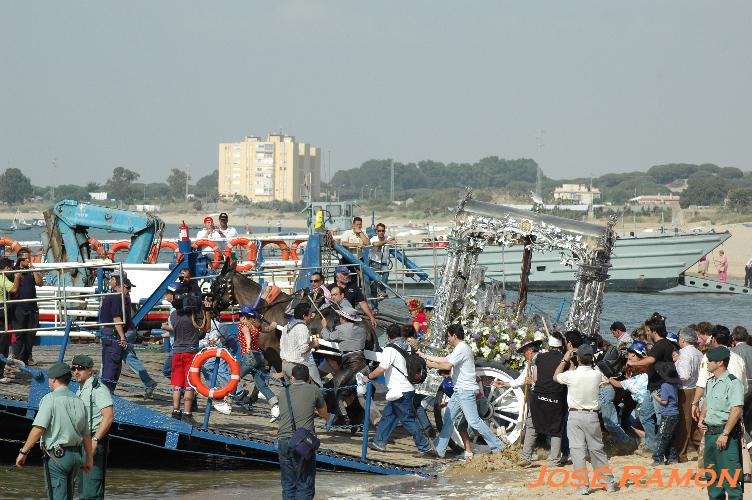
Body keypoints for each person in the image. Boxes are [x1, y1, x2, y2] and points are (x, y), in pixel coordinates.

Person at [419, 323, 505, 458]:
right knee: (448, 418)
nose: (447, 339)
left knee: (474, 421)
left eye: (448, 336)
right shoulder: (460, 348)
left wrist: (430, 364)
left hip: (465, 391)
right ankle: (439, 450)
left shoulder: (462, 348)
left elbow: (447, 365)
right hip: (459, 391)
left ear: (454, 335)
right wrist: (424, 355)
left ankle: (498, 446)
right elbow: (445, 359)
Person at [15, 362, 93, 499]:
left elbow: (38, 429)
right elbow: (86, 435)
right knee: (68, 496)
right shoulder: (79, 401)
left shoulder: (49, 399)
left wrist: (23, 452)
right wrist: (89, 459)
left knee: (56, 496)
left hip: (58, 456)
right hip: (76, 456)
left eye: (50, 379)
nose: (49, 382)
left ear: (54, 379)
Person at [554, 344, 618, 494]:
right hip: (591, 415)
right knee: (597, 449)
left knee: (577, 451)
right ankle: (608, 482)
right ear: (591, 358)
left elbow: (555, 376)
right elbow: (604, 382)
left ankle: (582, 486)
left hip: (575, 415)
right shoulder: (596, 374)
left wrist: (565, 360)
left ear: (577, 358)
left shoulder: (571, 375)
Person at [365, 324, 434, 455]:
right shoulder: (407, 346)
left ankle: (424, 446)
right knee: (388, 416)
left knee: (408, 420)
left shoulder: (390, 349)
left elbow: (382, 368)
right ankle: (379, 442)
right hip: (407, 388)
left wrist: (368, 377)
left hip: (399, 390)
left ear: (388, 336)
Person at [698, 346, 744, 500]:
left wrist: (725, 433)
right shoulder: (711, 381)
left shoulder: (733, 383)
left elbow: (736, 410)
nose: (707, 363)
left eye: (710, 360)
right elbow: (706, 401)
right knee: (713, 477)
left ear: (720, 363)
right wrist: (701, 417)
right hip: (711, 434)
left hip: (726, 436)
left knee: (731, 479)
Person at [277, 364, 328, 500]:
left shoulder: (283, 392)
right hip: (302, 443)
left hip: (283, 441)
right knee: (305, 484)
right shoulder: (314, 390)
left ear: (292, 378)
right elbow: (325, 414)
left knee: (288, 484)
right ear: (308, 378)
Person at [626, 315, 675, 452]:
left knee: (661, 419)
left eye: (648, 331)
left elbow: (651, 360)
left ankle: (663, 449)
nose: (647, 333)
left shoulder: (661, 345)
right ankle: (651, 446)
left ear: (654, 331)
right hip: (652, 386)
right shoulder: (662, 345)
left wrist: (633, 363)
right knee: (645, 414)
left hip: (660, 387)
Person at [72, 354, 114, 500]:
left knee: (91, 490)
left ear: (90, 370)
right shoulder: (80, 390)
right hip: (80, 442)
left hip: (93, 440)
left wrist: (95, 440)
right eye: (74, 368)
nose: (76, 371)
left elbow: (108, 416)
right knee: (82, 488)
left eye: (80, 369)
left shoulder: (98, 389)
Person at [169, 285, 210, 423]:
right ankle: (187, 413)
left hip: (176, 351)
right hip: (191, 352)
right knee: (189, 384)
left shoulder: (173, 315)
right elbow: (207, 328)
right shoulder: (194, 314)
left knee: (177, 385)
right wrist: (207, 310)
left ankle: (175, 411)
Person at [320, 306, 367, 423]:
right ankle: (349, 416)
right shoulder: (362, 329)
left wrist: (324, 327)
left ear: (343, 318)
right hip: (363, 365)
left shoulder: (342, 329)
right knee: (352, 392)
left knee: (335, 388)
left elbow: (327, 337)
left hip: (352, 366)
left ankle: (342, 416)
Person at [237, 305, 279, 419]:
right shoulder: (257, 326)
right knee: (261, 385)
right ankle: (275, 406)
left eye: (240, 315)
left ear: (245, 317)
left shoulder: (243, 324)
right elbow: (268, 329)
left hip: (249, 356)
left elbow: (246, 335)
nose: (239, 317)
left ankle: (227, 402)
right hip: (259, 356)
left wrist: (248, 347)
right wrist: (273, 325)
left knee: (234, 377)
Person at [122, 278, 158, 398]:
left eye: (129, 288)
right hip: (129, 330)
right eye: (128, 288)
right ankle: (148, 381)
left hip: (126, 331)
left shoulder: (122, 298)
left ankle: (148, 381)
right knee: (127, 356)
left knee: (126, 357)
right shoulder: (126, 299)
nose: (129, 290)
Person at [673, 326, 704, 463]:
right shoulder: (698, 353)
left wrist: (671, 373)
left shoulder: (685, 353)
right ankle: (701, 449)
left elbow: (684, 375)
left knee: (684, 424)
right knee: (694, 422)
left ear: (683, 339)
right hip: (698, 388)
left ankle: (682, 454)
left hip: (685, 389)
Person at [9, 250, 43, 366]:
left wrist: (33, 270)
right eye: (26, 258)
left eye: (29, 258)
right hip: (19, 307)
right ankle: (18, 358)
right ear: (20, 259)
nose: (29, 260)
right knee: (19, 335)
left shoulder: (30, 271)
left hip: (32, 307)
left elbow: (40, 283)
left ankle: (27, 357)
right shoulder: (14, 271)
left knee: (30, 335)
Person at [97, 273, 129, 393]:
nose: (129, 291)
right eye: (127, 288)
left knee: (108, 366)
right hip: (113, 335)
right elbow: (116, 318)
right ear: (120, 286)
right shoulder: (116, 298)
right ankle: (107, 395)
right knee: (112, 369)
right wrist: (122, 337)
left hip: (107, 333)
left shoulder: (108, 297)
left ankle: (107, 393)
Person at [280, 302, 322, 387]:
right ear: (304, 316)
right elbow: (304, 349)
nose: (312, 317)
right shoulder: (302, 327)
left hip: (285, 365)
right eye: (310, 314)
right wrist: (314, 343)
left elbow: (280, 346)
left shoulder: (286, 327)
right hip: (298, 367)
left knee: (293, 394)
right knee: (317, 388)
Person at [652, 362, 680, 465]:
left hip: (668, 414)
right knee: (670, 437)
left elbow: (664, 402)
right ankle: (672, 458)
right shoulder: (674, 385)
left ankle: (658, 459)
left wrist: (655, 396)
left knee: (662, 436)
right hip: (675, 414)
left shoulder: (664, 386)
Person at [368, 223, 395, 299]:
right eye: (379, 231)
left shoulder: (387, 237)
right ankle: (374, 308)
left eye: (383, 231)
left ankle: (382, 292)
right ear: (376, 231)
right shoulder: (373, 238)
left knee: (386, 273)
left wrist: (392, 240)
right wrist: (386, 242)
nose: (381, 232)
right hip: (374, 263)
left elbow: (394, 240)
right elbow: (375, 244)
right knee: (373, 285)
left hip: (383, 263)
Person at [0, 257, 15, 383]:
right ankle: (0, 374)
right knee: (3, 344)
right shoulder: (2, 277)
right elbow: (13, 289)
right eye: (9, 268)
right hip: (1, 312)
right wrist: (18, 278)